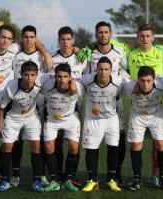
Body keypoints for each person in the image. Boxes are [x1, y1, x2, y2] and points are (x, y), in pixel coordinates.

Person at [0, 24, 52, 189]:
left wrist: (46, 53)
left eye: (8, 38)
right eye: (2, 37)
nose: (5, 41)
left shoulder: (13, 49)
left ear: (12, 41)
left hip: (6, 103)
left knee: (6, 141)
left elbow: (34, 40)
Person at [0, 25, 49, 188]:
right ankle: (8, 178)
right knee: (11, 144)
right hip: (15, 106)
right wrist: (0, 123)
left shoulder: (42, 61)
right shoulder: (15, 52)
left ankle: (38, 179)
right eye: (26, 37)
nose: (29, 40)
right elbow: (1, 107)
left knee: (37, 143)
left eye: (32, 37)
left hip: (34, 109)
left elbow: (57, 78)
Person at [84, 21, 129, 186]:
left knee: (120, 138)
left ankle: (116, 175)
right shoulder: (89, 53)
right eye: (100, 32)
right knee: (93, 141)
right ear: (96, 35)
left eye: (106, 32)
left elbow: (129, 70)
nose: (103, 35)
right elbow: (82, 73)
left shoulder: (119, 51)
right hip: (95, 103)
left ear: (111, 34)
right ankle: (93, 177)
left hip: (114, 102)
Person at [81, 56, 126, 192]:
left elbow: (133, 84)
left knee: (113, 149)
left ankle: (111, 180)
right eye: (100, 69)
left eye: (106, 69)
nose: (103, 72)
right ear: (96, 69)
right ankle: (93, 180)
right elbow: (73, 81)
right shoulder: (87, 80)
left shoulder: (118, 81)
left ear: (111, 71)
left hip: (111, 119)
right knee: (91, 149)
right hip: (92, 119)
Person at [48, 26, 87, 186]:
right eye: (62, 39)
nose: (65, 42)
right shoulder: (51, 58)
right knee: (55, 142)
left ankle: (71, 175)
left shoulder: (81, 58)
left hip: (74, 107)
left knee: (72, 143)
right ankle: (57, 174)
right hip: (54, 107)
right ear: (58, 41)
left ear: (73, 40)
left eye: (68, 39)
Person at [121, 66, 163, 191]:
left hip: (156, 114)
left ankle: (162, 176)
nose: (145, 84)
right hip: (137, 115)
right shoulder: (129, 87)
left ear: (154, 80)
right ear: (138, 80)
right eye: (142, 80)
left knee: (160, 144)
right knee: (136, 145)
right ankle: (137, 178)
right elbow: (114, 80)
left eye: (148, 80)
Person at [40, 63, 83, 192]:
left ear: (70, 77)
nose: (62, 80)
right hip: (52, 120)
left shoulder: (78, 87)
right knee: (48, 146)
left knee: (73, 146)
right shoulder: (47, 86)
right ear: (55, 77)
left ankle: (68, 179)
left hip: (71, 119)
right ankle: (54, 179)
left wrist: (74, 81)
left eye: (65, 77)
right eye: (59, 76)